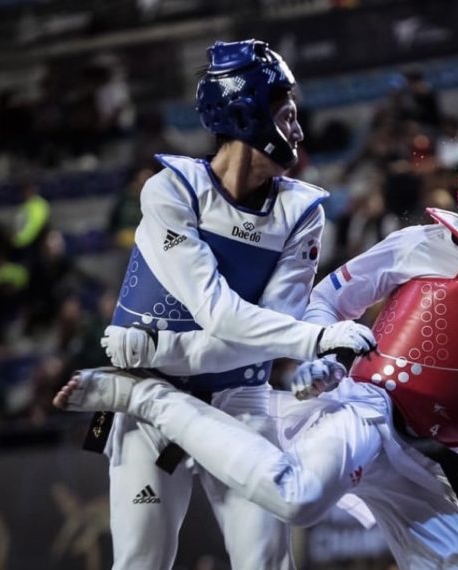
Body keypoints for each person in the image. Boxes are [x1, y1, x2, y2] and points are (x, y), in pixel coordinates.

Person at [56, 116, 458, 569]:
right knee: (297, 497)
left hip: (429, 459)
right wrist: (326, 358)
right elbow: (326, 303)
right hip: (365, 411)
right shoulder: (422, 242)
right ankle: (149, 397)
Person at [92, 39, 375, 570]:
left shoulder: (301, 210)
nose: (298, 130)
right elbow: (219, 313)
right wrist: (317, 339)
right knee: (140, 563)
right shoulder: (169, 192)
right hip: (150, 399)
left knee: (266, 563)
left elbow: (271, 329)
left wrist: (160, 347)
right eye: (288, 115)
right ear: (247, 113)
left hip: (235, 398)